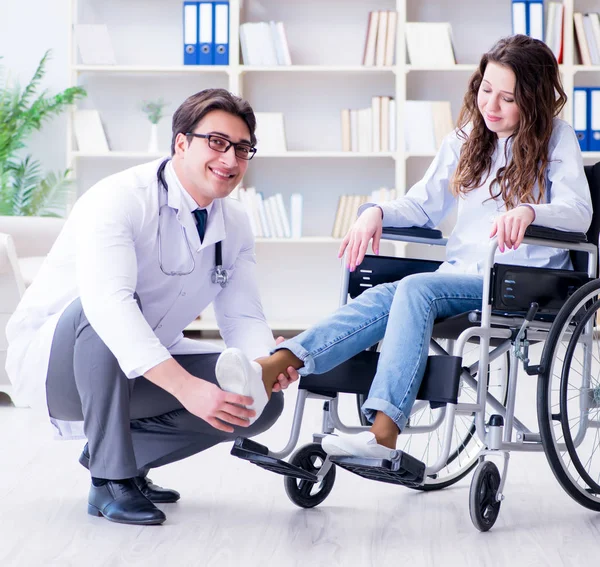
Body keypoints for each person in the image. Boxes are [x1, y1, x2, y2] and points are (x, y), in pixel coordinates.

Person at [212, 35, 593, 459]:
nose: (492, 106)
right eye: (486, 89)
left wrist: (529, 213)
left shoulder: (557, 138)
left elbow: (578, 211)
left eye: (508, 98)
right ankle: (271, 367)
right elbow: (423, 205)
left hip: (523, 282)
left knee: (415, 288)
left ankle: (383, 433)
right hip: (462, 276)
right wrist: (376, 212)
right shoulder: (468, 138)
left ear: (534, 100)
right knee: (384, 295)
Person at [5, 88, 299, 526]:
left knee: (256, 403)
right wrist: (186, 388)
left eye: (242, 148)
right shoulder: (119, 198)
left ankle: (121, 456)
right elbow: (109, 306)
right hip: (62, 370)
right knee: (98, 308)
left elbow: (243, 315)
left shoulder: (233, 222)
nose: (230, 160)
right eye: (216, 142)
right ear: (181, 142)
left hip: (142, 369)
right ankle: (110, 478)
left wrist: (263, 366)